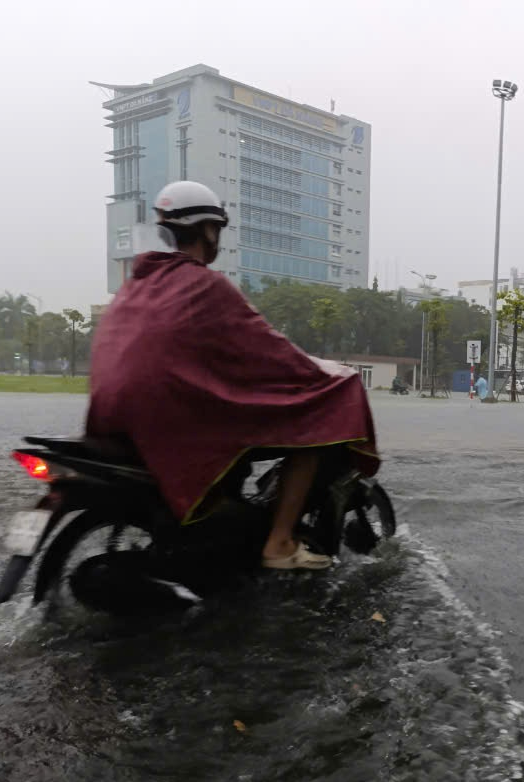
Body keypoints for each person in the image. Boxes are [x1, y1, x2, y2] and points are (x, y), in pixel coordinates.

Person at [86, 181, 379, 571]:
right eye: (218, 231)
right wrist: (326, 374)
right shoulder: (204, 285)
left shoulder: (136, 285)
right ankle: (278, 543)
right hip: (167, 416)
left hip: (112, 416)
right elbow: (268, 347)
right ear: (209, 230)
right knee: (316, 426)